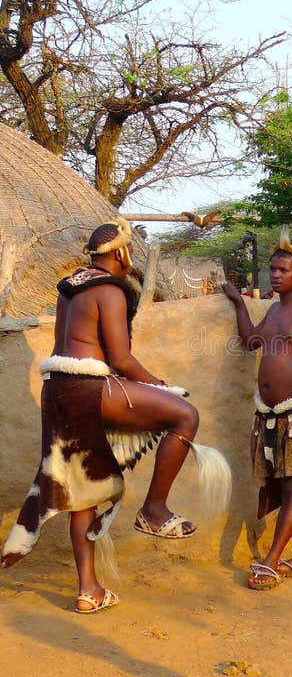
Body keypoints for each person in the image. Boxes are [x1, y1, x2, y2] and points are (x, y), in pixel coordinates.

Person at [2, 218, 206, 614]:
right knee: (184, 416)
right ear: (121, 253)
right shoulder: (110, 290)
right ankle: (154, 510)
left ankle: (89, 590)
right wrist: (158, 386)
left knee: (85, 487)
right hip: (89, 388)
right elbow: (120, 359)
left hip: (59, 390)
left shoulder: (71, 288)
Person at [223, 229, 292, 590]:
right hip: (269, 416)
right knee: (286, 488)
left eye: (283, 270)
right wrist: (239, 304)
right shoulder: (272, 311)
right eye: (272, 269)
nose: (274, 275)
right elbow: (250, 341)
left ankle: (270, 561)